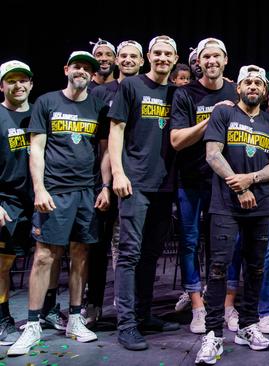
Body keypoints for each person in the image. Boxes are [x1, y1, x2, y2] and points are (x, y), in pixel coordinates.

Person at [8, 51, 109, 356]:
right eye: (76, 65)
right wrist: (39, 189)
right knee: (44, 257)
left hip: (87, 192)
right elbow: (36, 149)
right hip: (55, 191)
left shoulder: (98, 106)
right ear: (66, 69)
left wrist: (104, 186)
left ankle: (75, 318)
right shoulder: (47, 102)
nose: (81, 71)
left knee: (80, 254)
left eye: (87, 68)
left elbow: (104, 149)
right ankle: (34, 322)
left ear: (92, 75)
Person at [196, 65, 269, 363]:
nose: (253, 86)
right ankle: (212, 334)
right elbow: (212, 154)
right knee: (218, 267)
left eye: (258, 83)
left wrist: (252, 179)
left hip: (262, 204)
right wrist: (239, 186)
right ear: (239, 87)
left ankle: (248, 325)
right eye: (248, 82)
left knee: (256, 268)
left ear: (264, 89)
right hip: (226, 205)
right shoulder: (223, 114)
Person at [108, 35, 181, 351]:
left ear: (176, 58)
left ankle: (143, 314)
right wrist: (118, 173)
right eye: (158, 53)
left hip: (165, 185)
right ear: (149, 56)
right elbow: (116, 131)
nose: (163, 58)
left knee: (152, 253)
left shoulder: (177, 93)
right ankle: (126, 324)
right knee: (129, 253)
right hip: (134, 182)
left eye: (169, 54)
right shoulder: (131, 86)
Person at [169, 37, 238, 334]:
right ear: (199, 61)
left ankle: (224, 306)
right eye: (205, 57)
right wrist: (213, 117)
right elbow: (177, 140)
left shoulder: (236, 91)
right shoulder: (185, 94)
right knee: (189, 242)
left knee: (225, 245)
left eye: (216, 56)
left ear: (225, 60)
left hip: (224, 181)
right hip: (191, 180)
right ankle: (197, 306)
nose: (211, 61)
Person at [84, 40, 145, 327]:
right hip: (104, 179)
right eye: (124, 56)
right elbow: (100, 141)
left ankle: (126, 308)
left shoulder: (147, 89)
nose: (129, 60)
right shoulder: (100, 92)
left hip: (135, 181)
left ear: (141, 60)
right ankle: (92, 305)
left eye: (135, 56)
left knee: (125, 247)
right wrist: (104, 183)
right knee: (97, 245)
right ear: (118, 61)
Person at [0, 60, 34, 346]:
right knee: (3, 265)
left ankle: (45, 313)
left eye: (23, 80)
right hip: (6, 201)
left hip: (38, 200)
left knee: (47, 258)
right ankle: (3, 318)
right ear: (2, 86)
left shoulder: (38, 114)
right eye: (11, 80)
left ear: (31, 84)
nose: (18, 85)